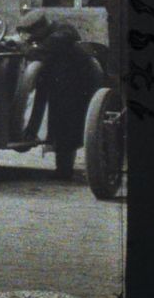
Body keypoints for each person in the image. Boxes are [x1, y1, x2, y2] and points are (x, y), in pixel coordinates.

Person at [18, 10, 104, 179]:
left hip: (79, 86)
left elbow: (39, 51)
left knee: (67, 127)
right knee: (61, 126)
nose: (32, 37)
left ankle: (64, 171)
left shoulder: (63, 32)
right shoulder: (51, 35)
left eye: (33, 33)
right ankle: (63, 168)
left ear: (42, 28)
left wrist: (26, 47)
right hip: (60, 84)